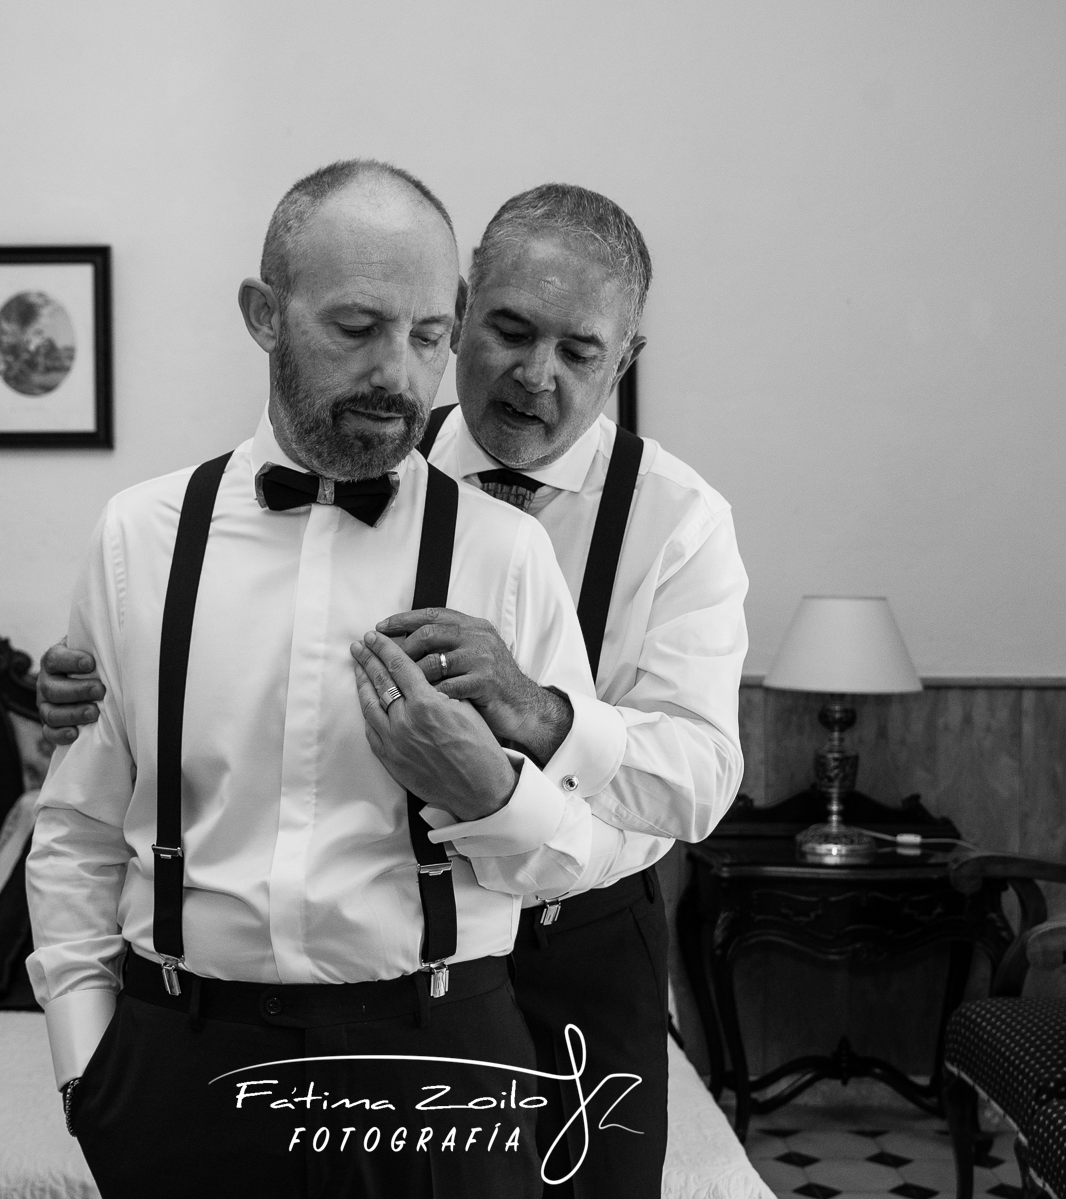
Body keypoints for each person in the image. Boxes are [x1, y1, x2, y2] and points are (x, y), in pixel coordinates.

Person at [43, 183, 749, 1198]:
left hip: (571, 941)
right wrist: (87, 1068)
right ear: (467, 314)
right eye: (508, 330)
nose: (534, 375)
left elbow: (696, 777)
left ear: (623, 359)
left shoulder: (672, 522)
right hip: (228, 1021)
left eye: (578, 351)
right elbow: (99, 792)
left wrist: (528, 729)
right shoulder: (304, 458)